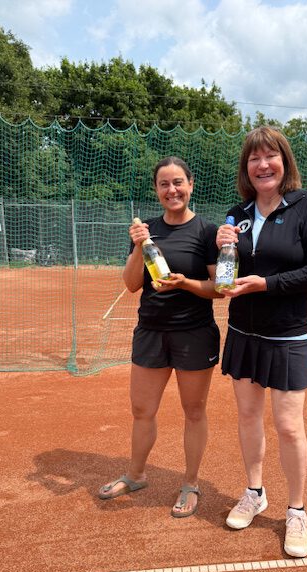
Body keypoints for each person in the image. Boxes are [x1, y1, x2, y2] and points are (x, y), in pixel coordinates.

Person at [216, 126, 307, 556]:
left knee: (288, 426)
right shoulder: (238, 214)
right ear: (246, 167)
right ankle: (254, 492)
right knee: (248, 416)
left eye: (270, 156)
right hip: (243, 331)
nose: (262, 165)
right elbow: (225, 276)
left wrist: (265, 284)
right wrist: (220, 248)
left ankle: (297, 510)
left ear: (284, 161)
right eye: (254, 158)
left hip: (288, 333)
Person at [99, 156, 222, 518]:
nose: (172, 190)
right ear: (156, 189)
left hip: (194, 333)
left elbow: (219, 288)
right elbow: (131, 284)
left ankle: (191, 483)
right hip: (151, 331)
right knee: (142, 410)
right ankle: (136, 475)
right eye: (164, 184)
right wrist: (139, 246)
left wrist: (184, 283)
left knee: (194, 411)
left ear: (191, 185)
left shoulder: (206, 231)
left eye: (178, 182)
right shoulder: (147, 230)